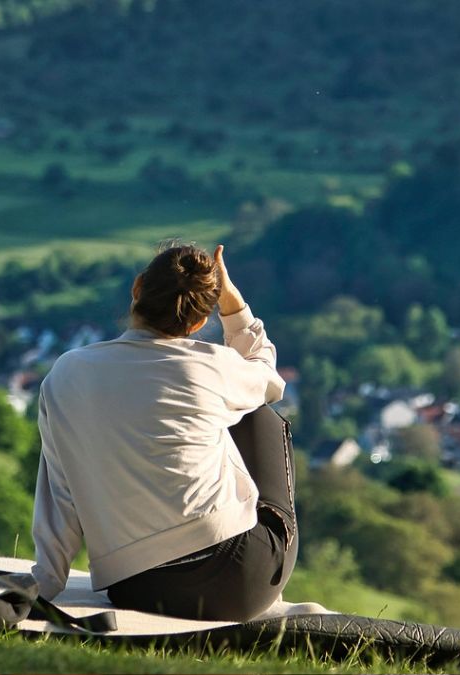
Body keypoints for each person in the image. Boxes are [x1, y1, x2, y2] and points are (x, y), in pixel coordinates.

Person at [30, 243, 298, 621]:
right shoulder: (213, 367)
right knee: (258, 414)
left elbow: (60, 488)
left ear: (137, 288)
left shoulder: (67, 373)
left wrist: (47, 579)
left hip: (135, 587)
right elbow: (268, 377)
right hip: (237, 582)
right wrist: (234, 308)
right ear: (199, 323)